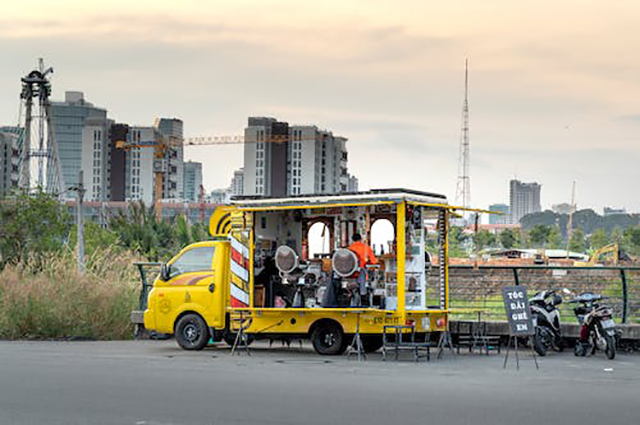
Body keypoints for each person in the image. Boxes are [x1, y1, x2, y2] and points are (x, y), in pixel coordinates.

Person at [348, 233, 378, 305]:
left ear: (352, 240)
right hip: (361, 273)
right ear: (360, 239)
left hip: (350, 274)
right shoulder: (366, 248)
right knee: (364, 277)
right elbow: (374, 262)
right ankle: (364, 298)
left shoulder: (349, 249)